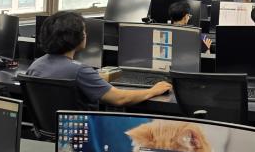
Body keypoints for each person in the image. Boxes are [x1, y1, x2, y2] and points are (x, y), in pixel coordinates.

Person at [26, 11, 171, 107]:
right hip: (84, 133)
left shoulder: (36, 65)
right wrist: (153, 90)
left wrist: (94, 78)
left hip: (53, 131)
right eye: (83, 31)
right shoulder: (80, 71)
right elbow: (120, 98)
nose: (85, 34)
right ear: (75, 37)